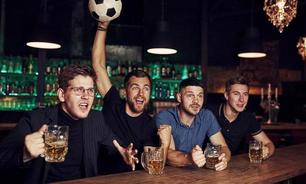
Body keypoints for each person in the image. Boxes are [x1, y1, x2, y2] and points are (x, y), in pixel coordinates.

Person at [0, 64, 137, 184]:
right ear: (61, 94)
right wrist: (25, 154)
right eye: (79, 90)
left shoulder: (96, 118)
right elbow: (3, 158)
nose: (86, 96)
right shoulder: (36, 120)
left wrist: (124, 155)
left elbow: (116, 148)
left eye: (90, 90)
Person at [91, 21, 171, 173]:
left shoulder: (150, 124)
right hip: (100, 178)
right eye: (135, 88)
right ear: (125, 91)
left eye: (146, 89)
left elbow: (152, 167)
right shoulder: (113, 104)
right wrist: (102, 26)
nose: (141, 94)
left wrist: (165, 144)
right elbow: (98, 66)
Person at [155, 77, 231, 171]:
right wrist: (190, 158)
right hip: (168, 175)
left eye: (200, 96)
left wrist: (224, 159)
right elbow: (168, 154)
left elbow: (223, 147)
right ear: (179, 97)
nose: (196, 101)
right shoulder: (165, 117)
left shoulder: (206, 116)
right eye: (190, 95)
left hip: (197, 175)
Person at [206, 76, 275, 158]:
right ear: (226, 95)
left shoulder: (248, 117)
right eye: (236, 94)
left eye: (245, 94)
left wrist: (267, 152)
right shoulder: (210, 112)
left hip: (233, 166)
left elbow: (268, 143)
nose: (242, 99)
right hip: (204, 165)